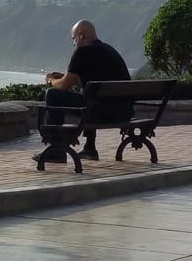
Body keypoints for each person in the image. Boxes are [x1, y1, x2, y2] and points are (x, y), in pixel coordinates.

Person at [37, 20, 130, 162]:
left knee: (52, 94)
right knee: (90, 95)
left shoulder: (82, 51)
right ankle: (89, 149)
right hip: (123, 113)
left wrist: (50, 80)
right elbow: (89, 81)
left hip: (98, 114)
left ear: (81, 35)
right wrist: (69, 77)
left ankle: (57, 150)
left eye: (73, 39)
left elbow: (63, 86)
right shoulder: (110, 50)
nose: (74, 43)